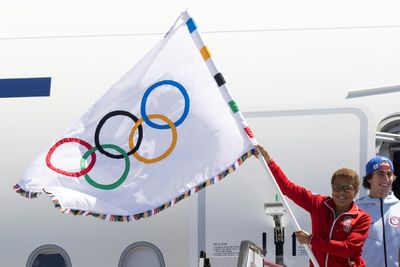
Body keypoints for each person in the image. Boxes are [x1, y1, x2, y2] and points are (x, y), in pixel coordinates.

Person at [255, 145, 370, 267]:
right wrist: (268, 161)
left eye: (347, 188)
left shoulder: (362, 218)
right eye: (337, 187)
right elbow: (287, 187)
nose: (341, 192)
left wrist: (311, 240)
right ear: (332, 188)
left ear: (356, 191)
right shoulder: (318, 203)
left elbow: (347, 249)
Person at [356, 155, 400, 267]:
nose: (386, 179)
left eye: (389, 174)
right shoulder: (356, 208)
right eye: (380, 174)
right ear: (369, 178)